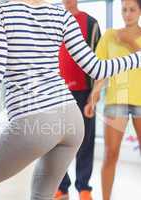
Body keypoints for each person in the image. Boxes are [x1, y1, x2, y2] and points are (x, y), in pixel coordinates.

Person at [0, 0, 141, 199]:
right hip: (72, 120)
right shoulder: (61, 14)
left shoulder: (0, 12)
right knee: (41, 195)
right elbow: (96, 67)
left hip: (34, 121)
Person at [84, 0, 141, 199]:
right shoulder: (109, 35)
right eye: (124, 9)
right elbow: (100, 71)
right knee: (110, 154)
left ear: (140, 11)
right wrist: (94, 96)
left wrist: (131, 43)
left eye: (132, 9)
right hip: (116, 100)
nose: (128, 14)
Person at [55, 0, 101, 199]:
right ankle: (61, 185)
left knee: (86, 140)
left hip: (85, 91)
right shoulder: (53, 22)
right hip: (57, 92)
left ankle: (83, 186)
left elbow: (100, 60)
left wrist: (94, 94)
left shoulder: (91, 23)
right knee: (57, 141)